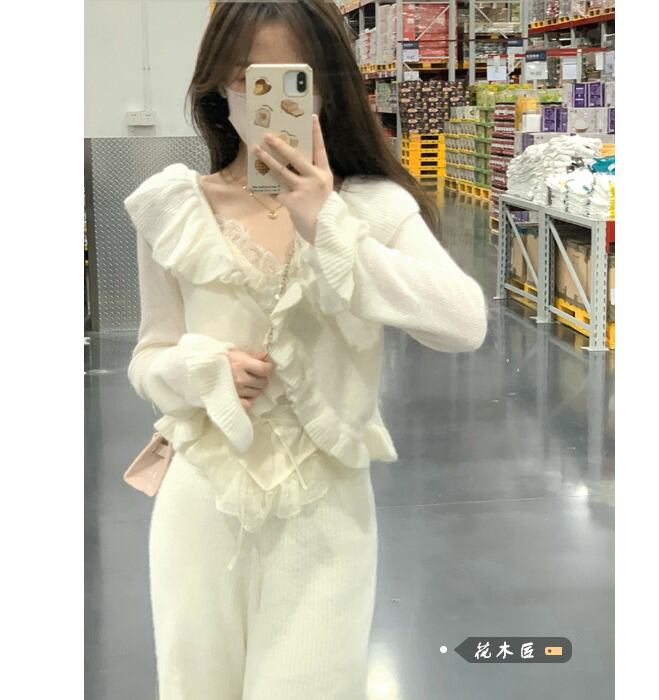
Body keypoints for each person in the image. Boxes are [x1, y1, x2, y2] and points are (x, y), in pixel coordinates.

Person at [123, 1, 488, 698]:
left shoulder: (372, 206)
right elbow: (148, 359)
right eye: (245, 76)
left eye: (291, 77)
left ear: (324, 86)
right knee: (195, 684)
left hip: (326, 513)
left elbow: (462, 321)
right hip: (201, 500)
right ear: (216, 84)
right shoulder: (174, 208)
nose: (265, 99)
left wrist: (329, 224)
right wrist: (198, 371)